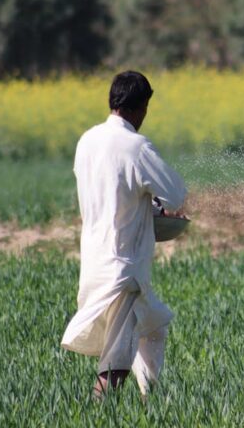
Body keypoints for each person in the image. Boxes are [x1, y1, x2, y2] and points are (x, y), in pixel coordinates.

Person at [61, 71, 186, 398]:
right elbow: (175, 195)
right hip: (124, 266)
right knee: (116, 360)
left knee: (154, 327)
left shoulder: (87, 140)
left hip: (95, 258)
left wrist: (146, 204)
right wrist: (159, 207)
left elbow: (114, 191)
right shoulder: (136, 145)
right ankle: (97, 409)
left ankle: (152, 399)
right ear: (141, 107)